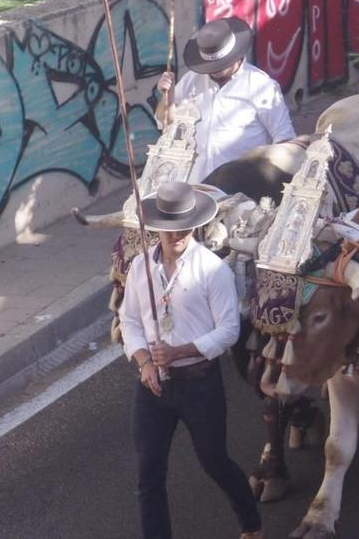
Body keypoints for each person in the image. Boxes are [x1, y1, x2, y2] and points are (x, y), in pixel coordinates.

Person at [122, 181, 263, 539]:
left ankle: (251, 521)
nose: (178, 235)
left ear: (195, 226)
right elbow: (130, 320)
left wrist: (179, 352)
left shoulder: (212, 270)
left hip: (199, 384)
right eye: (170, 229)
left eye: (184, 228)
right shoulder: (140, 267)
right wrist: (145, 362)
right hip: (154, 387)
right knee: (148, 475)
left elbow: (229, 330)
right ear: (158, 229)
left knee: (214, 462)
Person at [156, 18, 294, 181]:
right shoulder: (191, 80)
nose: (214, 71)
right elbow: (165, 123)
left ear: (236, 55)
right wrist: (168, 97)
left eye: (220, 65)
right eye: (211, 66)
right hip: (194, 183)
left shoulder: (262, 86)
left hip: (242, 189)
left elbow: (285, 140)